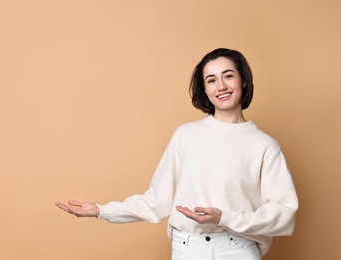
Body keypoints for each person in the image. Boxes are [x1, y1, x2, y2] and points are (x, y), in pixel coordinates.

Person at [55, 48, 298, 260]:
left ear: (243, 81)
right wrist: (102, 210)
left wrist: (224, 218)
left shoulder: (264, 145)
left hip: (238, 250)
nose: (221, 86)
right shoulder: (186, 135)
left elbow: (284, 213)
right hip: (187, 249)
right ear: (205, 88)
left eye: (228, 76)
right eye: (211, 80)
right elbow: (157, 200)